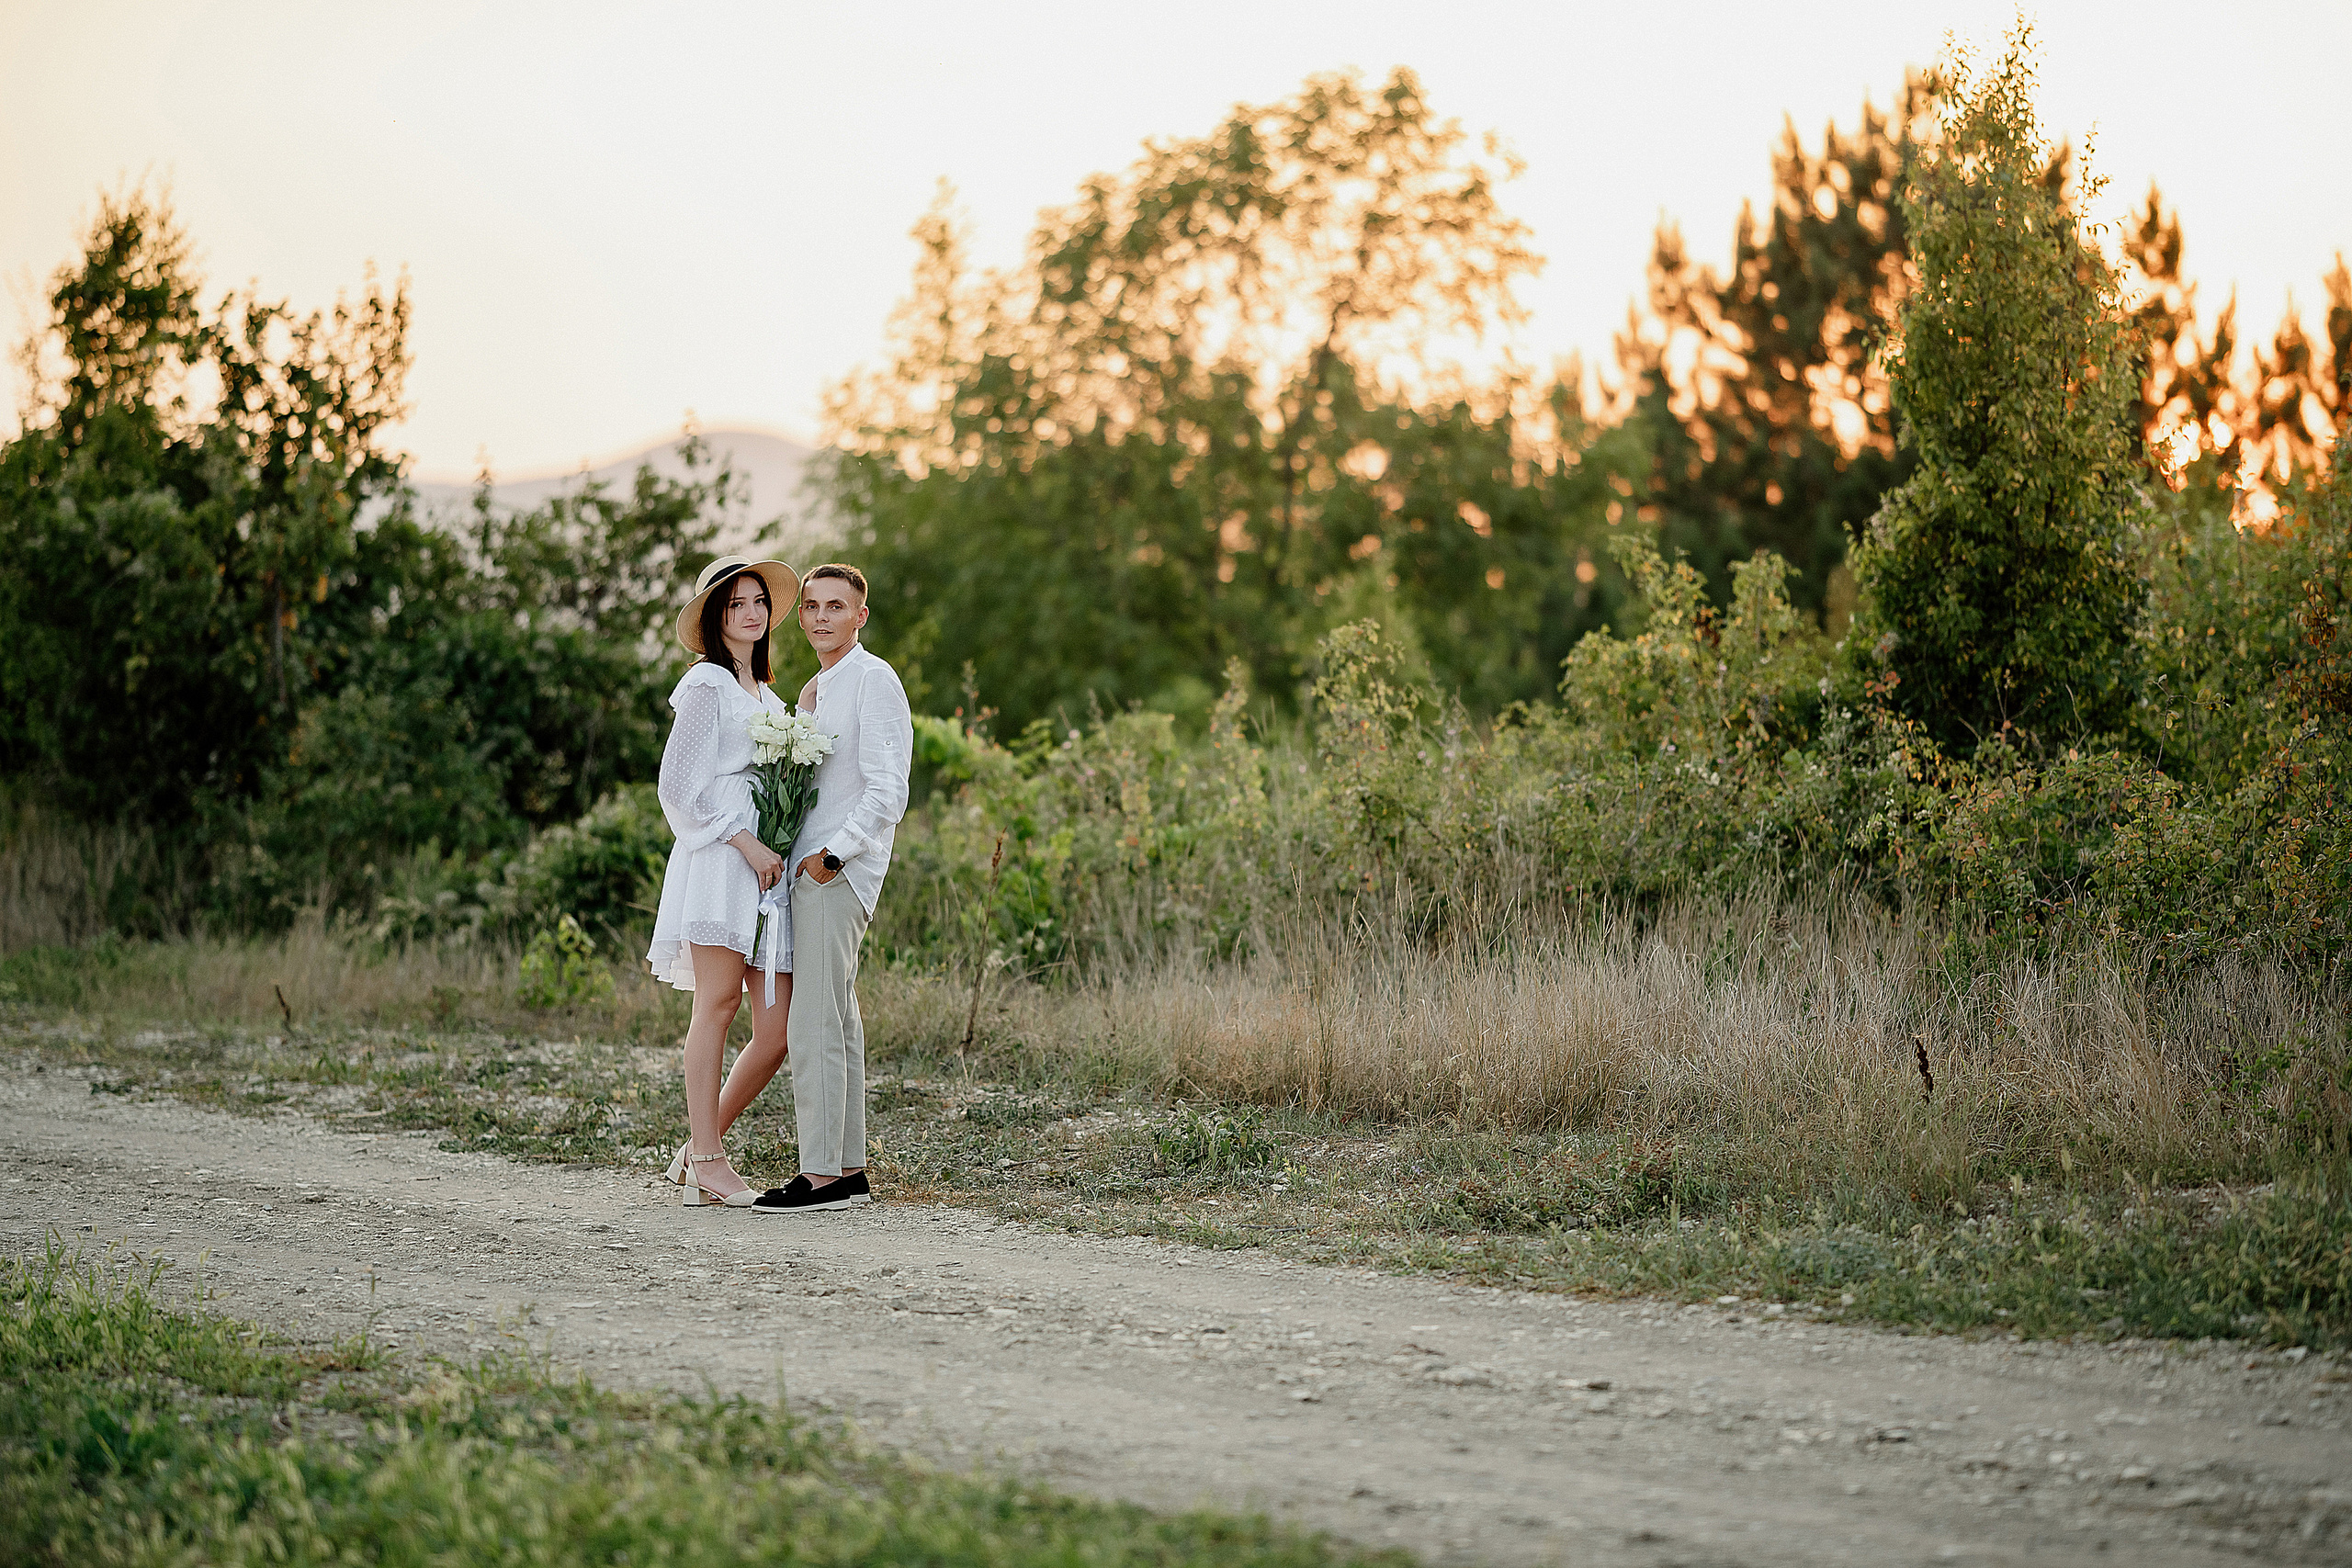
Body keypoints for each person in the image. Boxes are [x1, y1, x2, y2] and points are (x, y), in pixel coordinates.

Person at [753, 563, 913, 1213]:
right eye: (812, 606)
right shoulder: (817, 688)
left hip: (837, 871)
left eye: (836, 606)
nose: (821, 617)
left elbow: (889, 789)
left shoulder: (874, 680)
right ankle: (847, 1170)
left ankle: (817, 1175)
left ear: (860, 616)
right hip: (811, 870)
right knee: (837, 1019)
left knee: (814, 1019)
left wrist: (830, 856)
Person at [645, 556, 801, 1208]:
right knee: (717, 1003)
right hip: (720, 854)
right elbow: (677, 787)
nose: (752, 612)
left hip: (765, 866)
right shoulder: (707, 684)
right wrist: (745, 841)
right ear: (716, 615)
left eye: (759, 600)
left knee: (777, 1028)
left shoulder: (764, 693)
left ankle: (694, 1150)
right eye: (736, 603)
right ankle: (708, 1158)